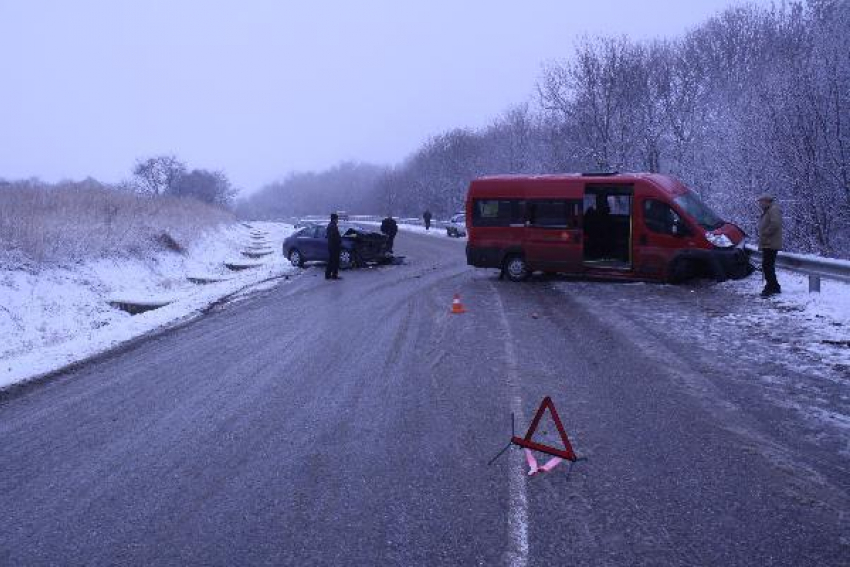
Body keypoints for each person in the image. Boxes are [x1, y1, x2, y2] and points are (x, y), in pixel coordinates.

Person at [757, 193, 783, 297]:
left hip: (770, 243)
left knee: (767, 265)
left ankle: (772, 286)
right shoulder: (769, 210)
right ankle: (773, 286)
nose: (760, 204)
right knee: (767, 265)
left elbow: (775, 224)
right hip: (767, 242)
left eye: (761, 202)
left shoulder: (773, 210)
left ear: (767, 201)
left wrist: (765, 233)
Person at [325, 213, 342, 280]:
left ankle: (328, 275)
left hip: (331, 246)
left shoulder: (330, 225)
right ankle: (334, 275)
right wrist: (339, 241)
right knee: (335, 261)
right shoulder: (333, 226)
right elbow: (334, 237)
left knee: (331, 261)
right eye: (337, 219)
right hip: (334, 247)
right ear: (334, 219)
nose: (338, 220)